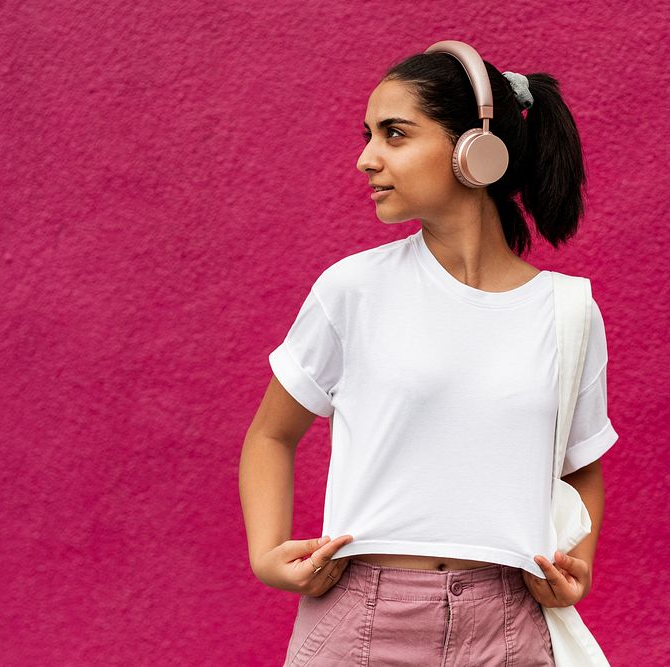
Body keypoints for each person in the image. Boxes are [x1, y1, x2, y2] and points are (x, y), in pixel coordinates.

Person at [239, 41, 618, 666]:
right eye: (368, 136)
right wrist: (266, 554)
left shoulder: (568, 311)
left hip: (510, 624)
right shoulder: (353, 289)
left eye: (395, 134)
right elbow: (271, 436)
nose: (366, 159)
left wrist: (579, 564)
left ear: (475, 148)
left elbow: (580, 463)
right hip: (363, 618)